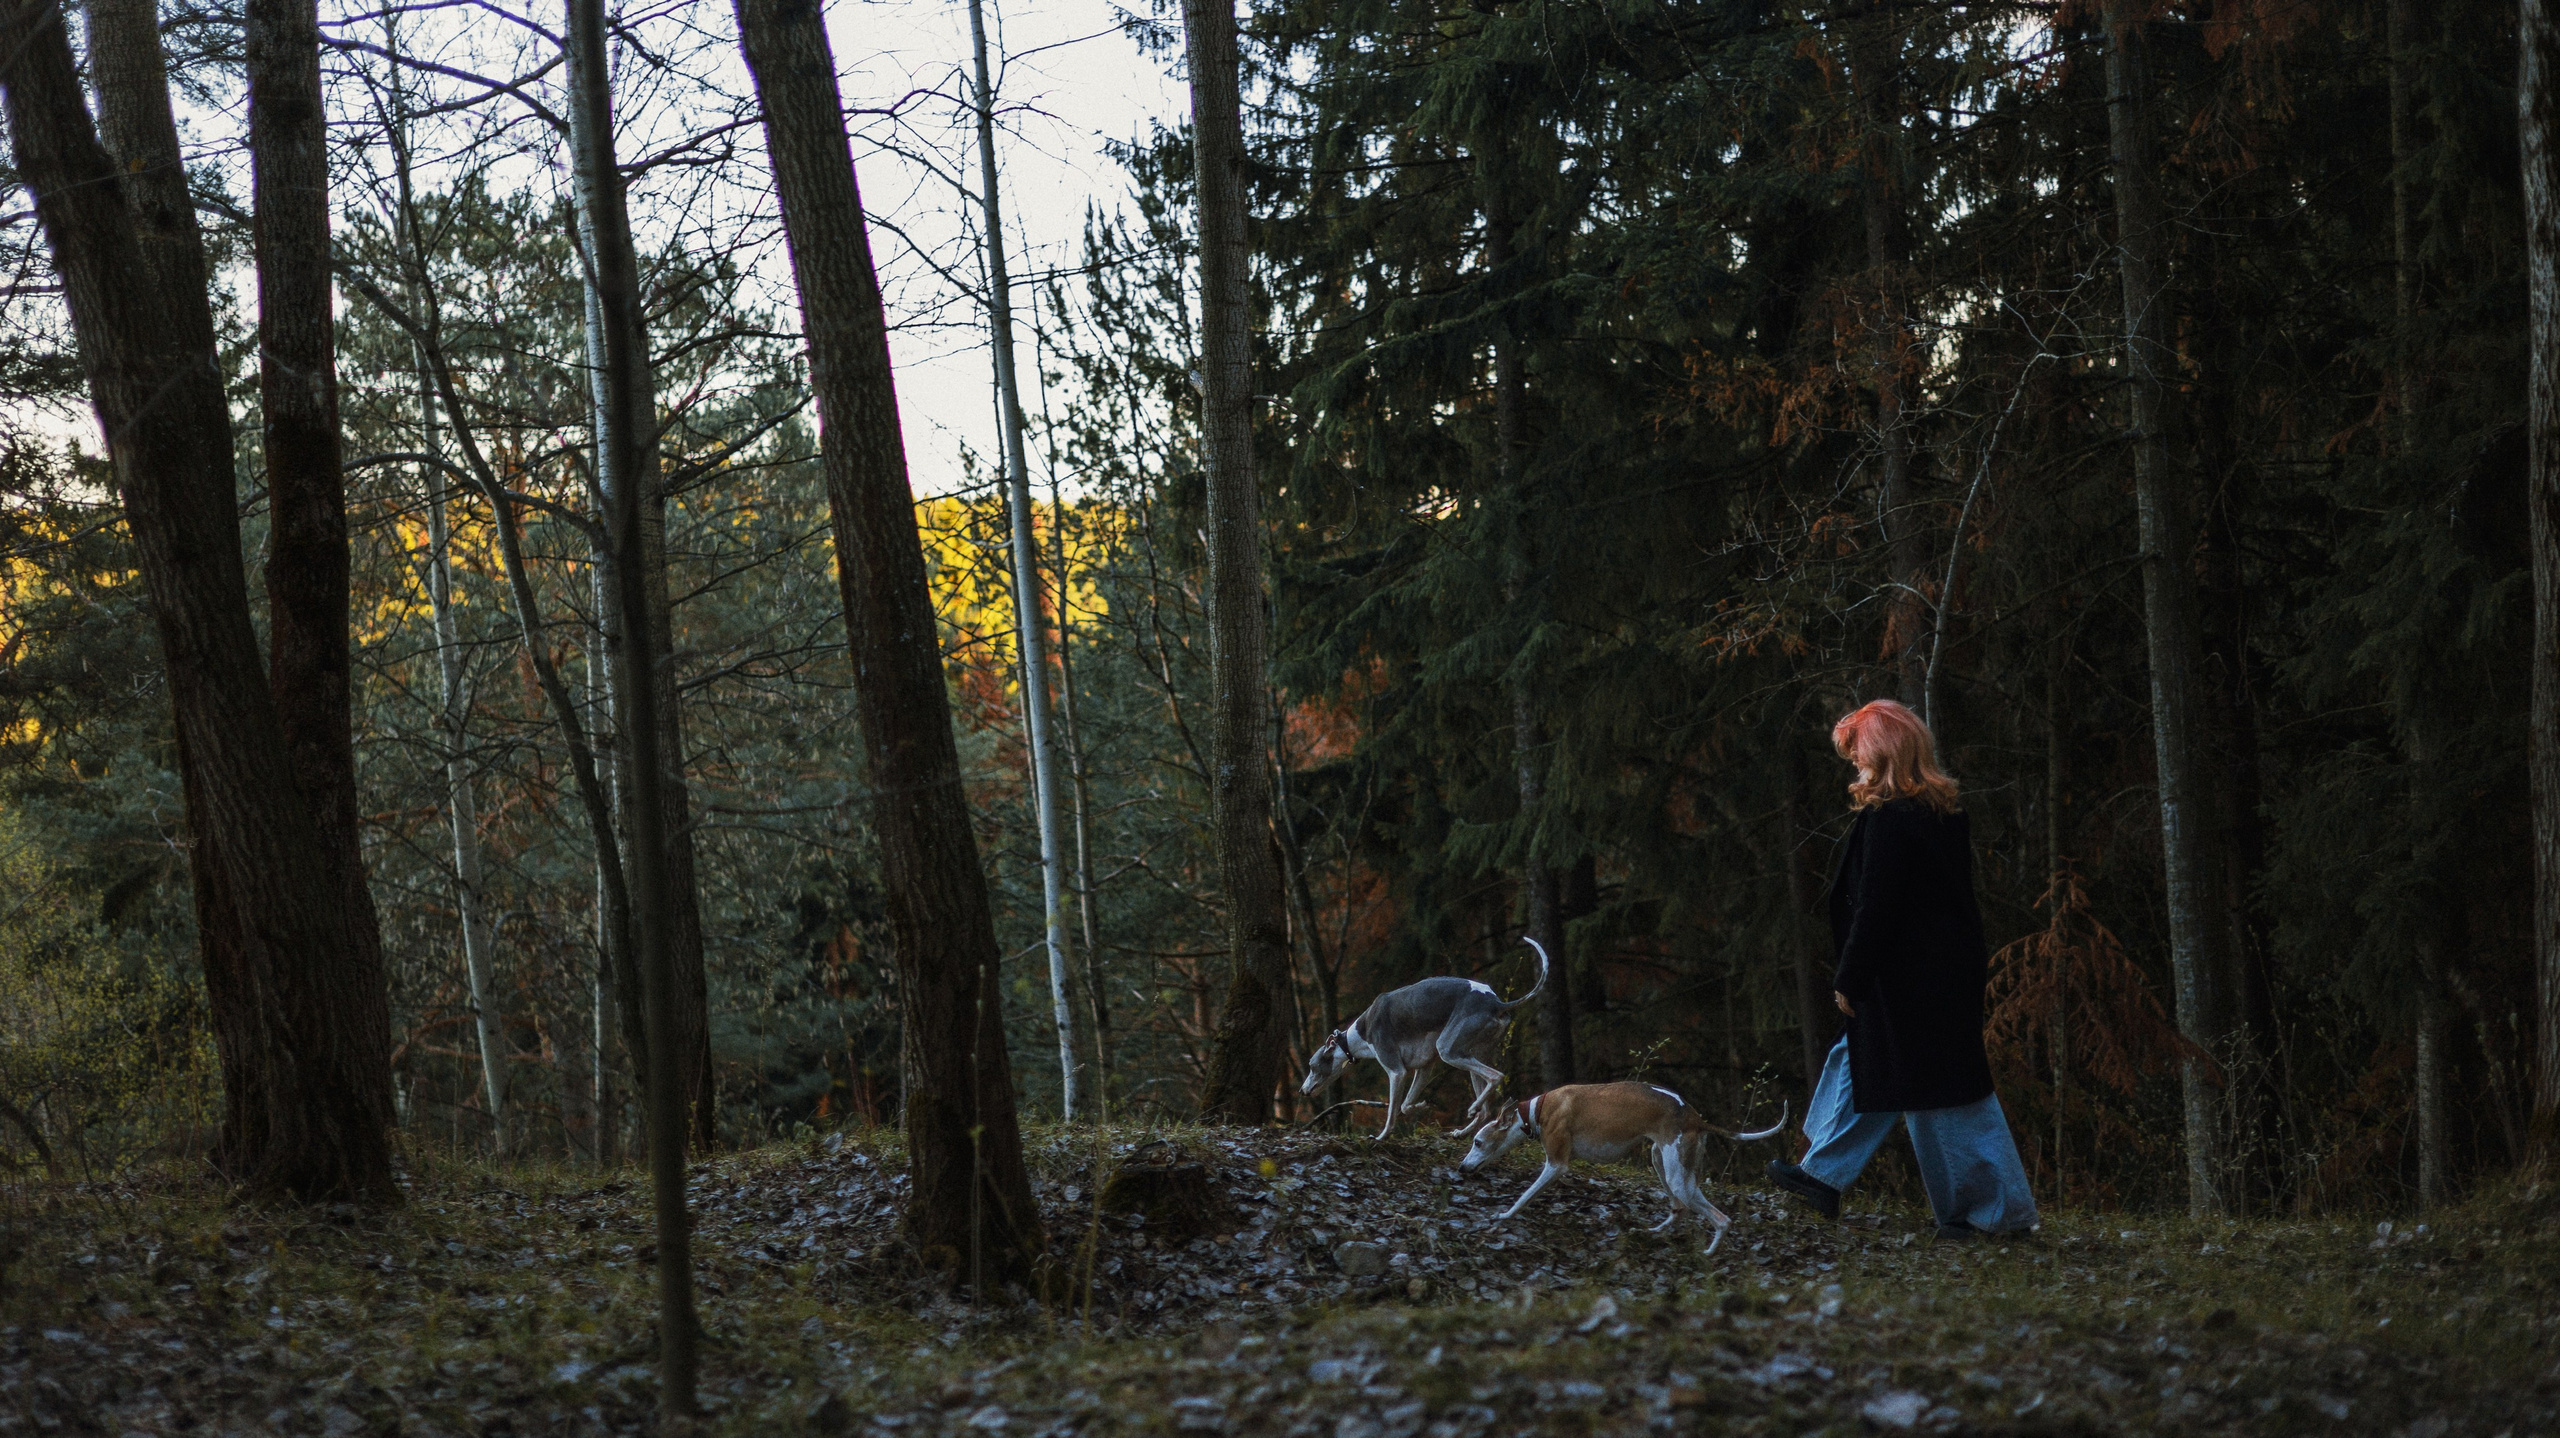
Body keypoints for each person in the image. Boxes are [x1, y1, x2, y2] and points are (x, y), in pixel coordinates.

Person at [1765, 699, 2038, 1241]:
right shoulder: (1939, 815)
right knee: (1867, 1063)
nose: (1854, 767)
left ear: (1883, 754)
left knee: (1944, 1095)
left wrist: (1851, 975)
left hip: (1912, 980)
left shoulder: (1891, 820)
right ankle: (1821, 1175)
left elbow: (1877, 906)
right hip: (1931, 976)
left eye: (1858, 755)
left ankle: (1994, 1216)